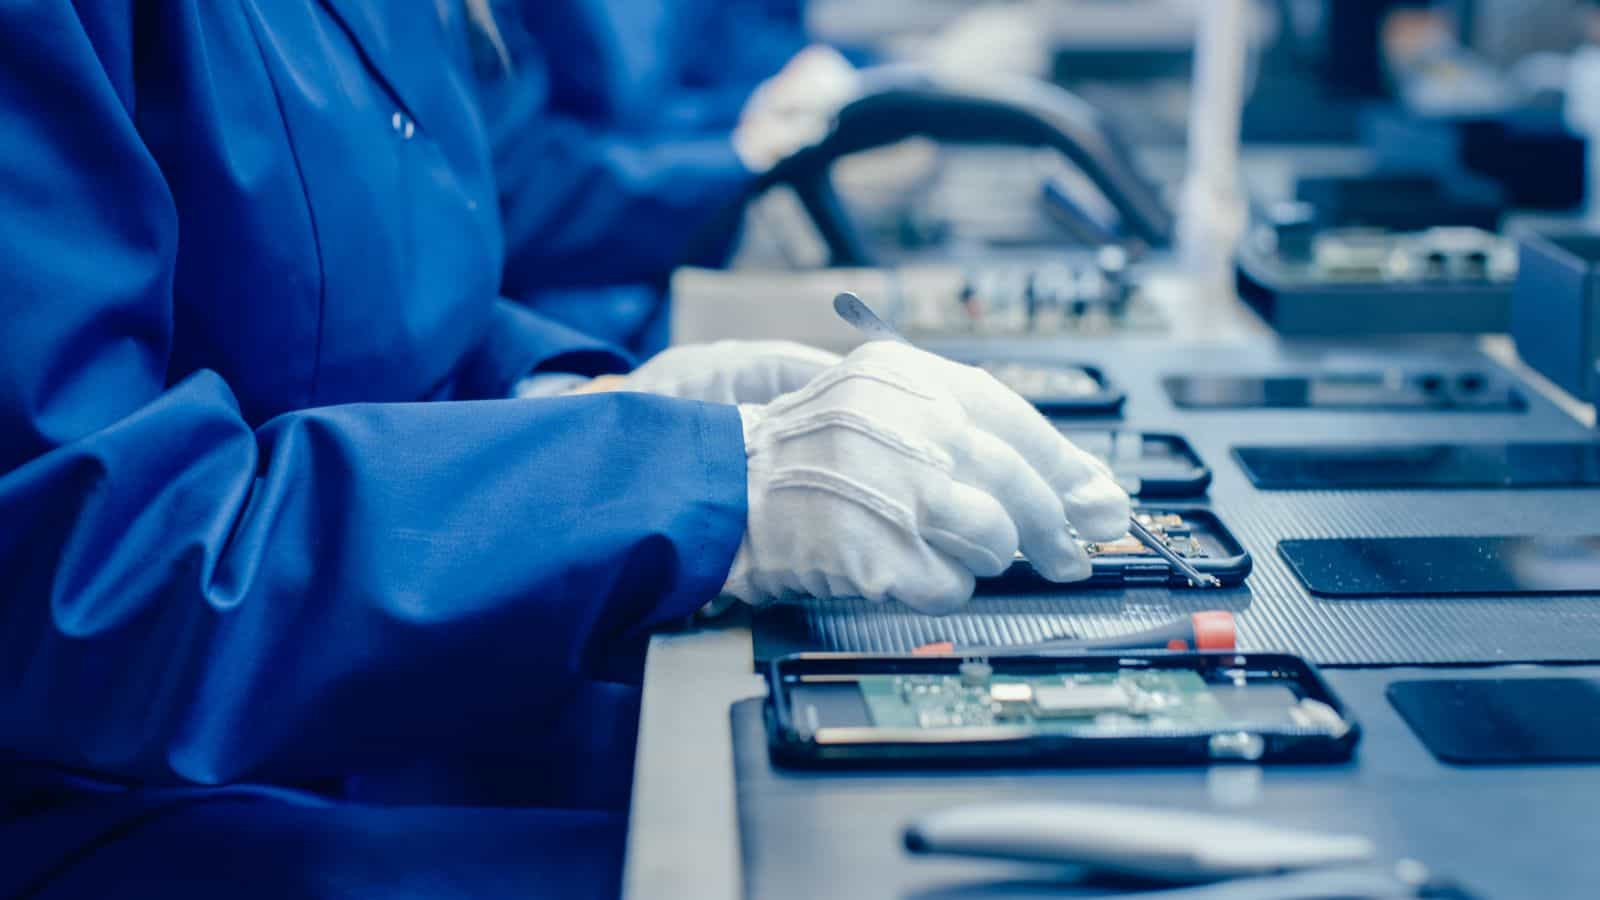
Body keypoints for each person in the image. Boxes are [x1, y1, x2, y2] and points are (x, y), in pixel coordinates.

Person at [0, 2, 1128, 897]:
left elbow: (377, 298)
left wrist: (578, 392)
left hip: (350, 698)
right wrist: (680, 478)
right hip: (110, 801)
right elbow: (86, 567)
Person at [478, 0, 858, 354]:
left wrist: (791, 99)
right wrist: (735, 156)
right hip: (553, 300)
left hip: (641, 269)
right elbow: (514, 179)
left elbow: (714, 53)